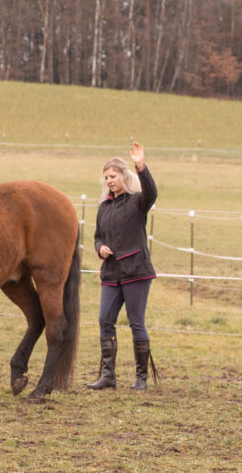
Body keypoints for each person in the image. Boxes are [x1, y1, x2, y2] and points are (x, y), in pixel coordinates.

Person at [86, 142, 158, 391]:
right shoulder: (103, 207)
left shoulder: (138, 202)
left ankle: (141, 378)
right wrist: (100, 248)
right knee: (105, 319)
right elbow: (97, 236)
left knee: (136, 321)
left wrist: (140, 165)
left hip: (136, 272)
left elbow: (152, 192)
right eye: (106, 177)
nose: (109, 181)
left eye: (113, 176)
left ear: (123, 176)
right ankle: (108, 376)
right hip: (111, 273)